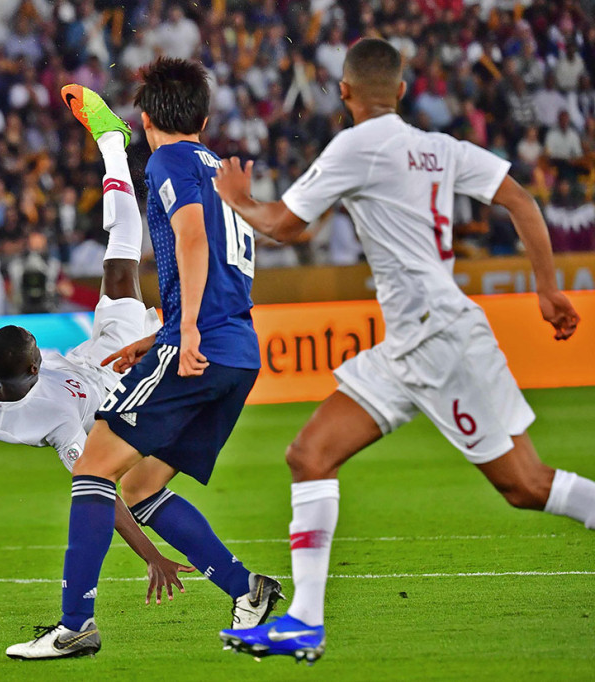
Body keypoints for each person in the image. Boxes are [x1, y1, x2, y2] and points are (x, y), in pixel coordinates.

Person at [214, 38, 590, 664]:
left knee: (524, 485)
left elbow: (285, 225)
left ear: (344, 92)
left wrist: (237, 199)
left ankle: (306, 619)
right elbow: (521, 200)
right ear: (405, 90)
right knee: (309, 455)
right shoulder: (439, 148)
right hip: (412, 341)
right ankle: (305, 621)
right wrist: (547, 291)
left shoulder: (356, 145)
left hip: (439, 339)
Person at [3, 68, 281, 660]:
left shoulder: (168, 163)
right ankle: (246, 590)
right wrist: (155, 343)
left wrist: (177, 332)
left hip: (198, 343)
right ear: (204, 121)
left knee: (93, 469)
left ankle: (75, 623)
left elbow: (193, 240)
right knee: (140, 486)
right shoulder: (216, 168)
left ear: (148, 122)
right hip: (237, 352)